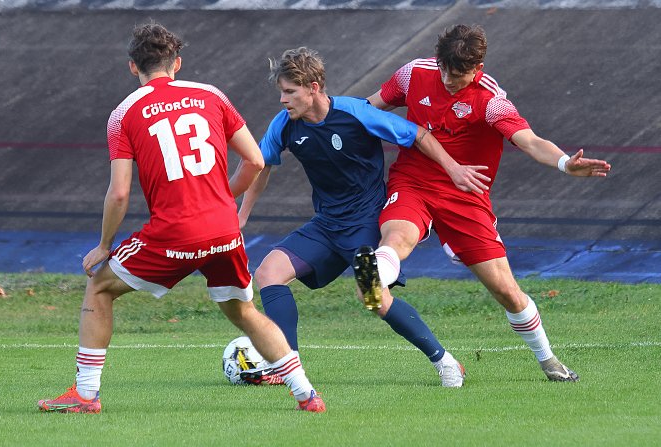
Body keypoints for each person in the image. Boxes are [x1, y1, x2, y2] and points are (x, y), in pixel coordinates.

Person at [38, 23, 325, 413]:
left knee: (99, 288)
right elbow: (255, 160)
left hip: (174, 232)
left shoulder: (123, 114)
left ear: (132, 67)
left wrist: (104, 246)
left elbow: (120, 192)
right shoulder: (210, 94)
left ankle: (85, 395)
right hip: (224, 229)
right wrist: (221, 199)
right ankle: (307, 394)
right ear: (177, 63)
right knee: (244, 311)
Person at [358, 24, 612, 382]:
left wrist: (564, 162)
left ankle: (548, 359)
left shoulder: (491, 100)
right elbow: (367, 109)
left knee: (506, 291)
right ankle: (373, 278)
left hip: (466, 197)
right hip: (413, 180)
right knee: (397, 237)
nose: (448, 79)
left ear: (477, 69)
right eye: (444, 68)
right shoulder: (414, 73)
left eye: (458, 74)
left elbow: (529, 140)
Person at [238, 47, 490, 387]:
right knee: (268, 273)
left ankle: (444, 361)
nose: (283, 100)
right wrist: (241, 215)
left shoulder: (357, 112)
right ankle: (287, 368)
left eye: (289, 92)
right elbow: (261, 164)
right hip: (327, 225)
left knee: (372, 297)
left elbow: (418, 135)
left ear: (313, 88)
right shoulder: (284, 124)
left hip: (367, 226)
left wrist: (454, 169)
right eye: (282, 92)